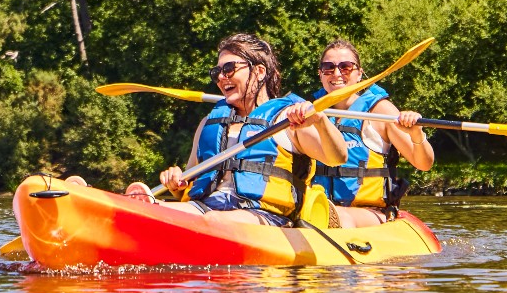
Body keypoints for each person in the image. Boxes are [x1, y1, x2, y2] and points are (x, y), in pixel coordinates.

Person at [123, 33, 346, 224]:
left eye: (229, 69)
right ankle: (140, 208)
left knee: (213, 221)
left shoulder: (286, 121)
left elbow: (337, 157)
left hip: (264, 217)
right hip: (206, 208)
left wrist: (320, 121)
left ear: (259, 72)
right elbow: (188, 183)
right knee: (159, 210)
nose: (221, 78)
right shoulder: (209, 123)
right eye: (217, 72)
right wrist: (175, 183)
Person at [305, 39, 433, 227]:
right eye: (328, 67)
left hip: (370, 213)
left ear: (359, 73)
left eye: (346, 67)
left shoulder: (380, 111)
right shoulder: (310, 112)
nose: (337, 73)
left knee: (340, 217)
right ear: (320, 74)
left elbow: (424, 164)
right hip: (317, 208)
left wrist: (416, 133)